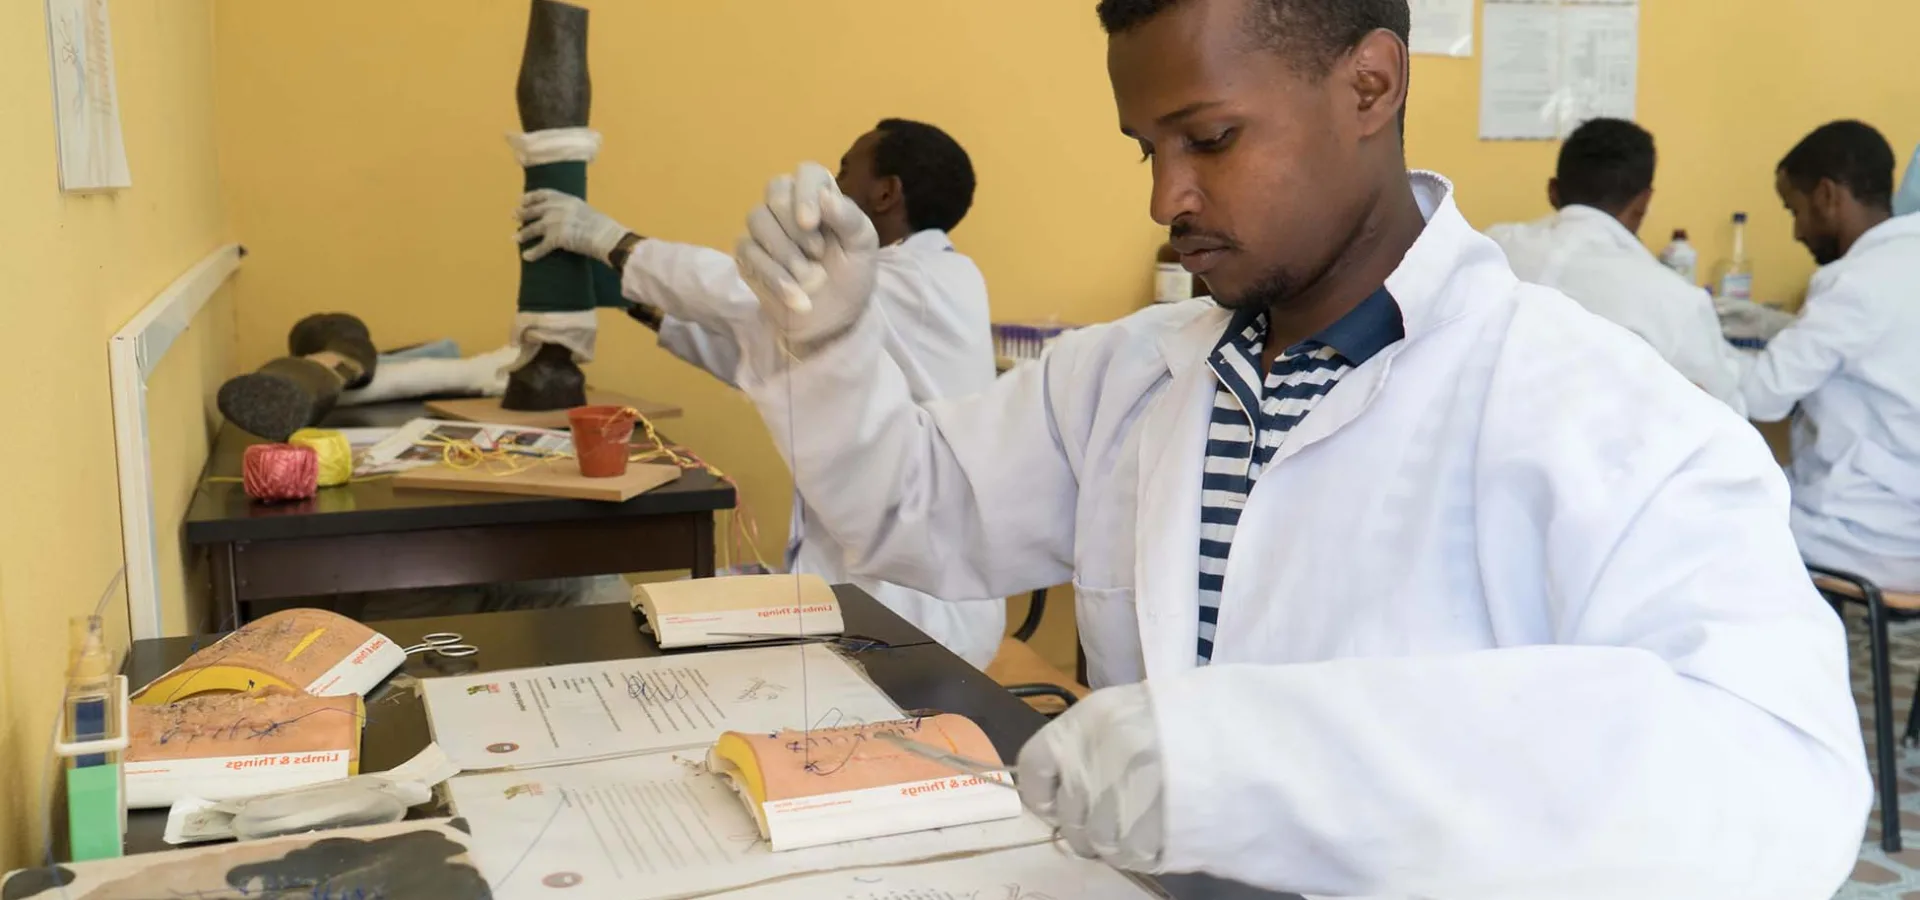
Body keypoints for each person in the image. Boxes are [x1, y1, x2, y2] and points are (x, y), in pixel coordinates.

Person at [724, 0, 1870, 895]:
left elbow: (1783, 783)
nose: (1167, 195)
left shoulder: (1603, 414)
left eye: (1210, 138)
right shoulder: (1131, 377)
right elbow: (907, 511)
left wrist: (1260, 760)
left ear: (1370, 84)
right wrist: (828, 347)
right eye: (1145, 149)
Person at [513, 119, 1007, 668]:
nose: (831, 184)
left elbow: (746, 296)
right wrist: (639, 303)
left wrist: (610, 242)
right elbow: (771, 357)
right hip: (877, 594)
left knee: (633, 624)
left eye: (844, 170)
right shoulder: (902, 290)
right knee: (654, 612)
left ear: (885, 193)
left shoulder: (920, 280)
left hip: (918, 617)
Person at [1741, 120, 1920, 592]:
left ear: (1826, 195)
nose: (1797, 230)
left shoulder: (1855, 281)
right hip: (1907, 522)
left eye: (1794, 209)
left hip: (1870, 539)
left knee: (1712, 508)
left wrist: (1700, 368)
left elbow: (1762, 397)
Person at [1487, 118, 1746, 412]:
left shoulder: (1492, 247)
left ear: (1553, 191)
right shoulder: (1675, 301)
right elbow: (1726, 416)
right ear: (1643, 202)